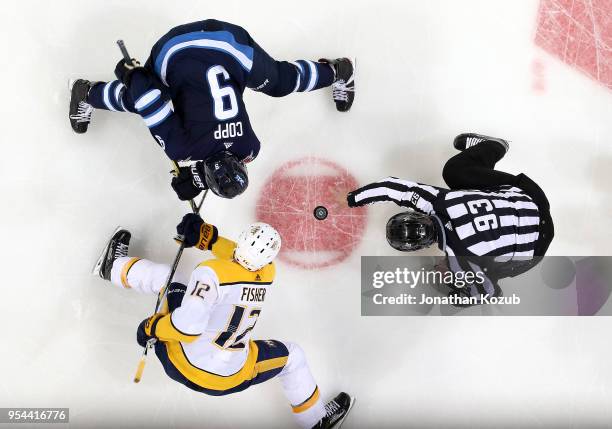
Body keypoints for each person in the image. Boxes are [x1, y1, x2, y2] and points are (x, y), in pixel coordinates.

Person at [92, 215, 354, 428]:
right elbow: (242, 259)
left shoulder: (212, 272)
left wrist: (152, 328)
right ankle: (316, 420)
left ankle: (113, 267)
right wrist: (208, 238)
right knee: (292, 356)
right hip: (230, 378)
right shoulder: (268, 272)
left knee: (172, 279)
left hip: (180, 361)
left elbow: (188, 327)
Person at [69, 19, 355, 200]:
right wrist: (132, 75)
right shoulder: (181, 149)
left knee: (279, 82)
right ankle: (86, 92)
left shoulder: (250, 148)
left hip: (227, 42)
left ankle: (335, 72)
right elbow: (149, 102)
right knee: (139, 98)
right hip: (174, 50)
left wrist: (199, 177)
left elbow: (221, 149)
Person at [346, 133, 554, 305]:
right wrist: (352, 199)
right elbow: (391, 187)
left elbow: (490, 293)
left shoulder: (460, 260)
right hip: (531, 198)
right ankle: (494, 147)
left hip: (537, 245)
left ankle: (494, 258)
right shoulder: (438, 201)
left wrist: (457, 294)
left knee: (487, 269)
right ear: (418, 214)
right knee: (455, 172)